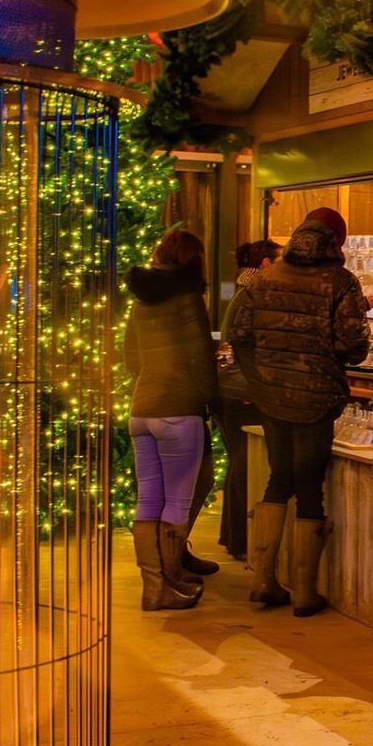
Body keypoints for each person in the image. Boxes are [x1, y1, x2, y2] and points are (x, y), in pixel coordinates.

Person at [227, 207, 370, 617]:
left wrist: (259, 381)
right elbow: (353, 346)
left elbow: (240, 335)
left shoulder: (266, 277)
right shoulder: (340, 282)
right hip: (316, 397)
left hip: (271, 397)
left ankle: (264, 579)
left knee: (279, 478)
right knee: (310, 487)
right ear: (336, 241)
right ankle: (305, 591)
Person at [123, 228, 217, 611]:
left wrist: (148, 383)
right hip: (180, 411)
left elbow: (130, 355)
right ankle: (170, 576)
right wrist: (208, 402)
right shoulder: (189, 297)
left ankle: (154, 586)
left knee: (148, 501)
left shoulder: (140, 299)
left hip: (142, 410)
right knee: (178, 501)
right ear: (193, 260)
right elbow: (200, 358)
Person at [215, 239, 282, 559]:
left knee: (239, 464)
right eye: (279, 260)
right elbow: (248, 344)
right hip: (242, 389)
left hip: (231, 387)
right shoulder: (256, 294)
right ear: (267, 264)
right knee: (245, 465)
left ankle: (235, 537)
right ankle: (241, 540)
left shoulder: (244, 290)